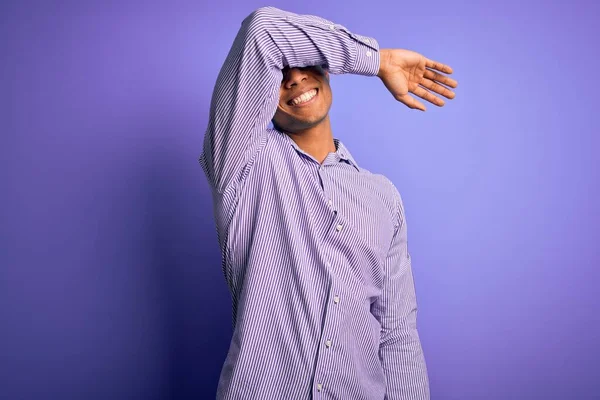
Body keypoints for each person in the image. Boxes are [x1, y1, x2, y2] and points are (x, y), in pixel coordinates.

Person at [199, 6, 457, 400]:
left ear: (326, 72)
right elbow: (264, 29)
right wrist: (378, 59)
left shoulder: (382, 195)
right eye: (279, 72)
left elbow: (397, 334)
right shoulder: (242, 161)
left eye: (305, 64)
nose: (295, 78)